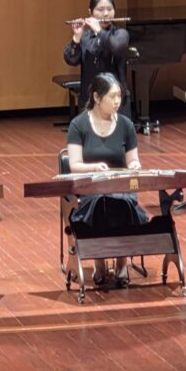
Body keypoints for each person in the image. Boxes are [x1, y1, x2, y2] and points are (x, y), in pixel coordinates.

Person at [65, 72, 148, 288]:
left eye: (119, 96)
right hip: (91, 188)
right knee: (100, 203)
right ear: (96, 97)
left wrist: (134, 166)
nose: (117, 101)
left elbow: (133, 160)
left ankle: (121, 262)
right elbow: (74, 165)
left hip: (119, 187)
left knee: (122, 202)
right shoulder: (78, 125)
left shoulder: (126, 125)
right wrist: (94, 167)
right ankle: (99, 261)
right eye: (112, 96)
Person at [63, 0, 131, 115]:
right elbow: (71, 59)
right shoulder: (86, 37)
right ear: (90, 12)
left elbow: (116, 46)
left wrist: (99, 30)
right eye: (100, 9)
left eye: (109, 9)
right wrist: (77, 37)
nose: (106, 13)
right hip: (89, 99)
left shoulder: (120, 34)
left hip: (115, 99)